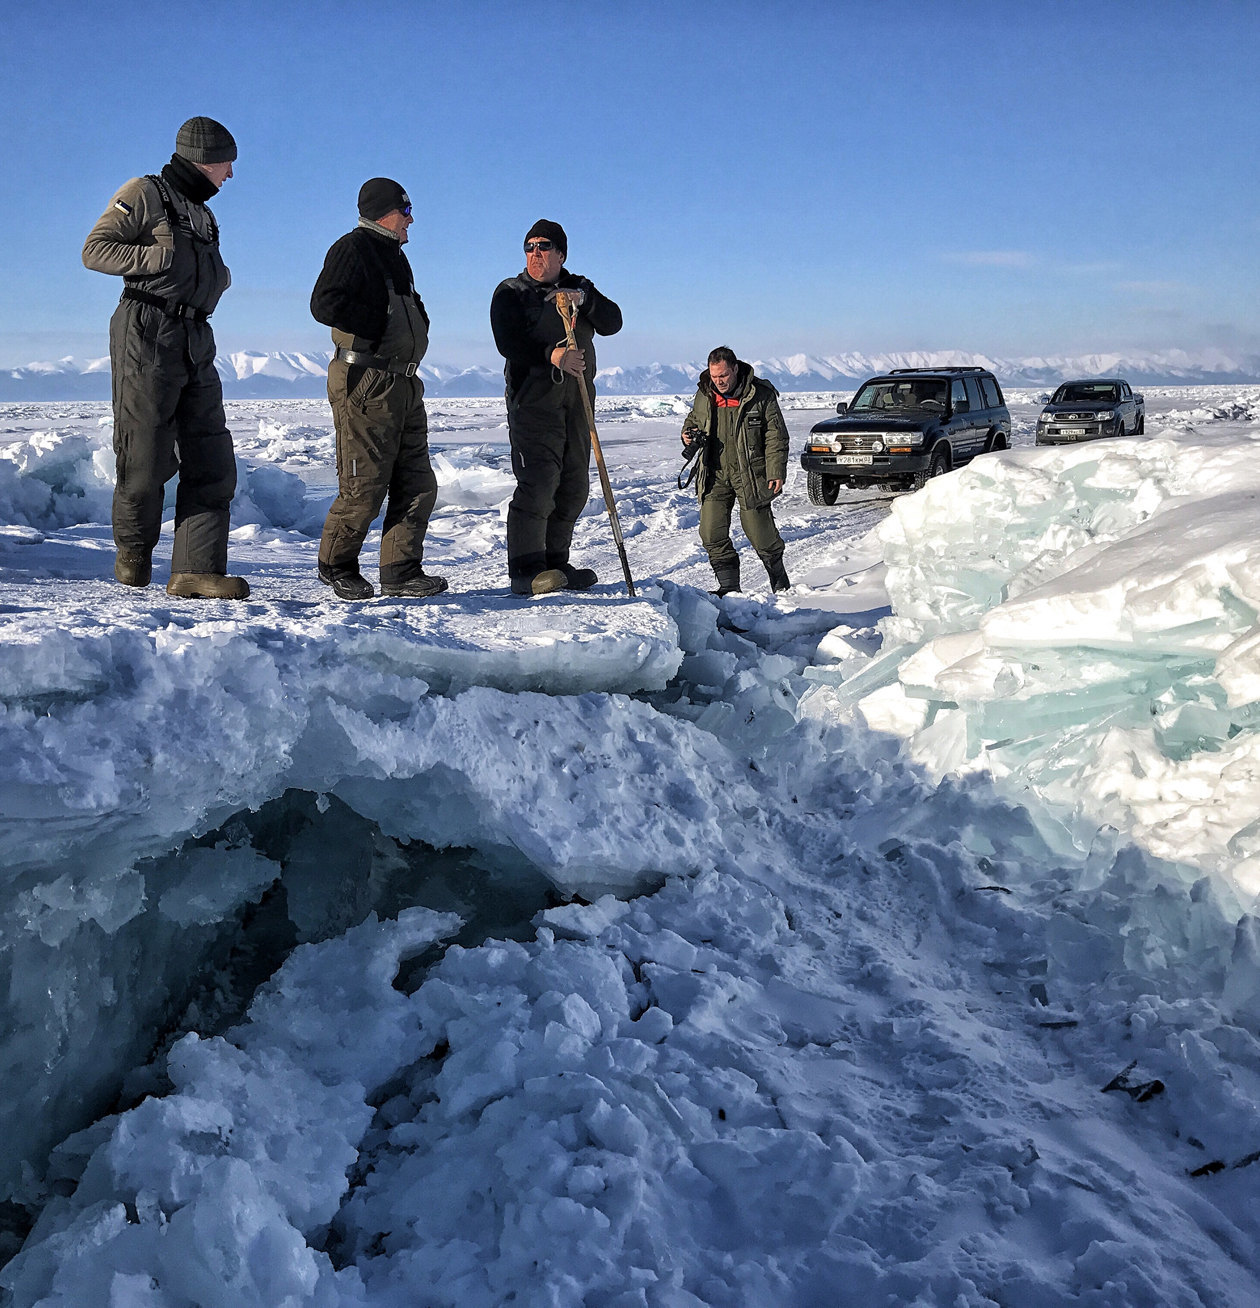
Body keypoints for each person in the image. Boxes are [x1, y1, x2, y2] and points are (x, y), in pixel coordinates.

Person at [82, 116, 249, 599]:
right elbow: (95, 250)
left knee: (212, 457)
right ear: (204, 158)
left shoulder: (202, 212)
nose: (230, 176)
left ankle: (195, 570)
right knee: (146, 453)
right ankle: (134, 553)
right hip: (148, 328)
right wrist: (157, 260)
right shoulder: (145, 191)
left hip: (196, 335)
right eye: (226, 164)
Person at [310, 178, 446, 600]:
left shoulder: (395, 257)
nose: (410, 219)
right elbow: (324, 304)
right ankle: (337, 565)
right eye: (405, 211)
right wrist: (378, 321)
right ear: (384, 212)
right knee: (364, 486)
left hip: (404, 382)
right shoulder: (352, 248)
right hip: (367, 381)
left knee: (418, 482)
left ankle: (401, 570)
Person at [490, 220, 622, 595]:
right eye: (529, 247)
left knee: (574, 484)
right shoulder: (511, 292)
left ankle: (555, 562)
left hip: (577, 403)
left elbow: (613, 322)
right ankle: (526, 570)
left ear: (561, 254)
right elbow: (509, 341)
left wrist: (586, 300)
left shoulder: (579, 287)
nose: (535, 253)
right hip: (533, 403)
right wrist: (552, 354)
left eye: (543, 247)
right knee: (539, 482)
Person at [681, 347, 790, 596]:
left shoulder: (760, 395)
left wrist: (775, 470)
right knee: (710, 532)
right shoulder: (704, 393)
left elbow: (776, 436)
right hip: (715, 473)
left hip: (750, 473)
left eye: (723, 376)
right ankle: (729, 588)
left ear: (735, 369)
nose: (718, 382)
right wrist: (687, 435)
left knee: (759, 532)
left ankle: (778, 578)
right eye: (714, 376)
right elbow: (693, 420)